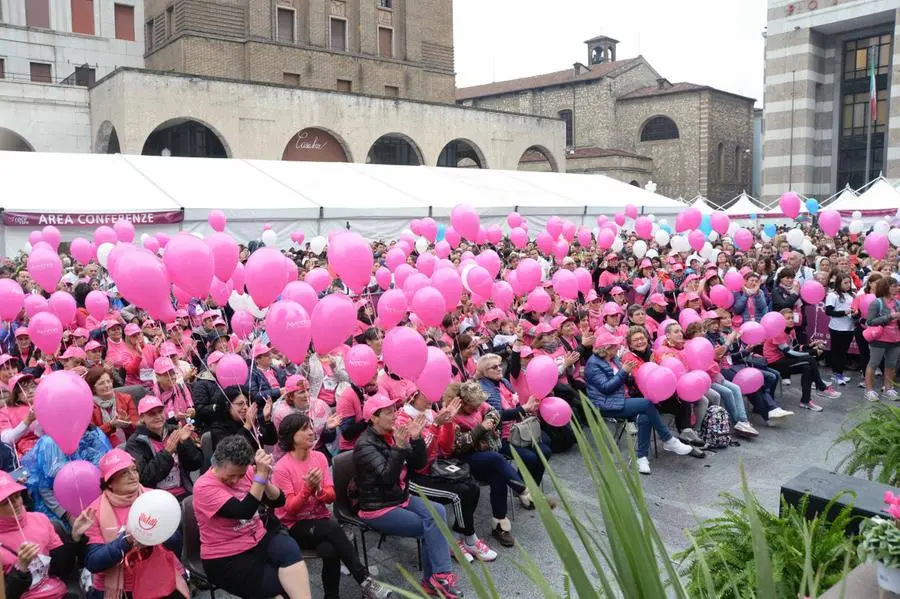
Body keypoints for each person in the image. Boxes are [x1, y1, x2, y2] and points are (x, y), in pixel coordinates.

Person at [353, 394, 463, 599]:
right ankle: (438, 580)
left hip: (399, 497)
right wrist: (400, 446)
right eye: (388, 413)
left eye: (394, 410)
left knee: (437, 511)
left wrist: (418, 438)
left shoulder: (394, 433)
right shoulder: (364, 445)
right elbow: (387, 478)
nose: (394, 415)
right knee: (431, 527)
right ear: (374, 418)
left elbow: (418, 464)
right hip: (378, 507)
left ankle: (436, 579)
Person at [273, 413, 390, 599]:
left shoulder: (319, 457)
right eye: (304, 430)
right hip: (294, 526)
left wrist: (318, 490)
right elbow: (289, 509)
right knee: (331, 526)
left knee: (330, 550)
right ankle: (364, 580)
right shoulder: (282, 468)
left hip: (319, 522)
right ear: (290, 436)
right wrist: (307, 489)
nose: (311, 432)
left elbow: (331, 497)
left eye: (311, 427)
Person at [193, 435, 311, 599]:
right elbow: (244, 511)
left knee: (289, 550)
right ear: (216, 465)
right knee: (276, 588)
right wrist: (260, 477)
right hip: (225, 556)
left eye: (239, 476)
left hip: (257, 538)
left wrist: (264, 479)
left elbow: (278, 501)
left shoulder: (246, 472)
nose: (235, 480)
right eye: (230, 475)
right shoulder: (204, 486)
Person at [396, 387, 496, 563]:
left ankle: (461, 537)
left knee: (472, 485)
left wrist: (448, 422)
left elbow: (447, 448)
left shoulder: (431, 413)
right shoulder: (402, 419)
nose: (433, 396)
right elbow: (418, 461)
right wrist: (436, 426)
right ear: (413, 397)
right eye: (426, 393)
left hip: (434, 469)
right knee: (460, 493)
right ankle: (466, 539)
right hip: (414, 477)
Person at [83, 449, 190, 599]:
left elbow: (177, 545)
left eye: (134, 470)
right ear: (109, 483)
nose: (133, 476)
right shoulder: (93, 512)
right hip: (122, 586)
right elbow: (94, 562)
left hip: (160, 574)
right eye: (124, 473)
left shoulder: (155, 498)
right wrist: (126, 540)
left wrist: (157, 534)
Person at [585, 330, 693, 475]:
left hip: (622, 398)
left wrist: (628, 375)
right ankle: (667, 439)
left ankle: (641, 457)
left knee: (645, 415)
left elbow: (625, 381)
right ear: (606, 348)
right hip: (607, 404)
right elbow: (606, 388)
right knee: (647, 404)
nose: (618, 347)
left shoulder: (613, 359)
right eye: (615, 345)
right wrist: (623, 372)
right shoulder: (593, 364)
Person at [0, 471, 90, 599]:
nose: (15, 503)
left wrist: (75, 537)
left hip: (57, 593)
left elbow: (62, 568)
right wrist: (21, 568)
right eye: (5, 502)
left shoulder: (40, 519)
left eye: (16, 496)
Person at [23, 425, 112, 528]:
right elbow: (45, 489)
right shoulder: (49, 444)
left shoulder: (90, 437)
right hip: (60, 511)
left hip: (96, 503)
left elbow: (103, 472)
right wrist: (67, 515)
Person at [124, 396, 203, 501]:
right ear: (142, 418)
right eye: (152, 414)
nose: (158, 416)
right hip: (155, 498)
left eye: (160, 411)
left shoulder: (175, 431)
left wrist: (185, 443)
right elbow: (144, 478)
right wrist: (167, 452)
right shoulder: (135, 443)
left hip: (183, 491)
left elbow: (195, 464)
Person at [763, 307, 839, 411]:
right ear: (780, 321)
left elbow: (795, 347)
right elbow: (788, 352)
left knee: (807, 367)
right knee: (810, 359)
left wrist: (810, 345)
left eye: (791, 318)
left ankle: (806, 401)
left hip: (784, 360)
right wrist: (811, 352)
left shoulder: (792, 330)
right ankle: (821, 386)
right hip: (774, 363)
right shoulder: (778, 332)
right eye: (787, 318)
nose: (791, 320)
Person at [271, 375, 337, 461]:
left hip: (318, 450)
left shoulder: (320, 406)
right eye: (301, 392)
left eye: (308, 390)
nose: (307, 395)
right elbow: (283, 444)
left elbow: (329, 440)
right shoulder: (281, 413)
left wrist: (329, 429)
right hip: (293, 454)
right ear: (290, 396)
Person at [207, 385, 275, 452]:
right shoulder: (218, 428)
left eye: (247, 403)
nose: (246, 407)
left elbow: (271, 441)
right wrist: (247, 426)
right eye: (240, 404)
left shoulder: (249, 421)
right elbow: (230, 451)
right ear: (227, 405)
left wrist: (267, 419)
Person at [864, 276, 900, 402]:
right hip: (879, 338)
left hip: (895, 339)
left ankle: (888, 388)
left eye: (897, 285)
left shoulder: (898, 303)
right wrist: (890, 316)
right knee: (873, 364)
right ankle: (869, 390)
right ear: (886, 287)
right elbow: (870, 321)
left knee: (891, 364)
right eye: (894, 286)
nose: (897, 288)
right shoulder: (877, 302)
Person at [86, 367, 138, 446]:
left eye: (108, 381)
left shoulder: (126, 399)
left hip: (127, 445)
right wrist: (110, 425)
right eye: (101, 383)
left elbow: (136, 428)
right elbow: (91, 436)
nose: (107, 385)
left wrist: (126, 424)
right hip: (101, 447)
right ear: (93, 388)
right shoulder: (88, 406)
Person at [825, 274, 856, 386]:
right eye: (845, 283)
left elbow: (855, 309)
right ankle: (836, 374)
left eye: (849, 282)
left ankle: (840, 373)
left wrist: (855, 313)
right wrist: (844, 312)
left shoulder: (852, 295)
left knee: (843, 352)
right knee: (837, 351)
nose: (848, 285)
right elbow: (828, 311)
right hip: (837, 328)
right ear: (839, 283)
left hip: (849, 327)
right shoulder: (833, 295)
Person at [0, 374, 38, 457]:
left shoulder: (44, 403)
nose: (30, 391)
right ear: (16, 395)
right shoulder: (5, 411)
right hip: (24, 455)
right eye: (24, 389)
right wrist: (27, 421)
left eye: (32, 386)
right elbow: (5, 439)